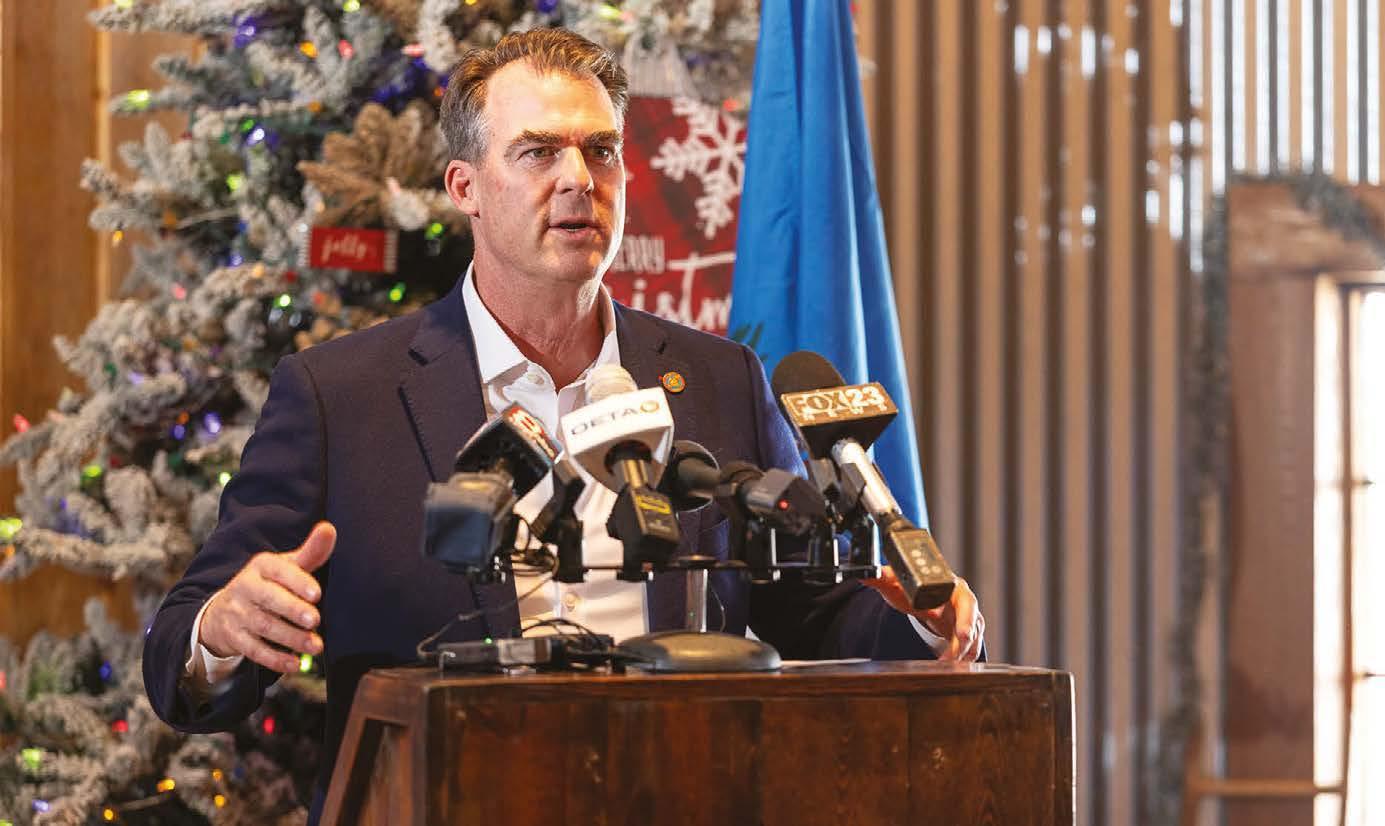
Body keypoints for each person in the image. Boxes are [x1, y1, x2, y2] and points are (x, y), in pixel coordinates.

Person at [142, 28, 985, 823]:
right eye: (538, 152)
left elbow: (815, 611)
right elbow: (180, 655)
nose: (579, 178)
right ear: (466, 188)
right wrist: (221, 630)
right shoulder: (340, 396)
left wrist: (924, 622)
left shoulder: (720, 379)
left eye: (601, 150)